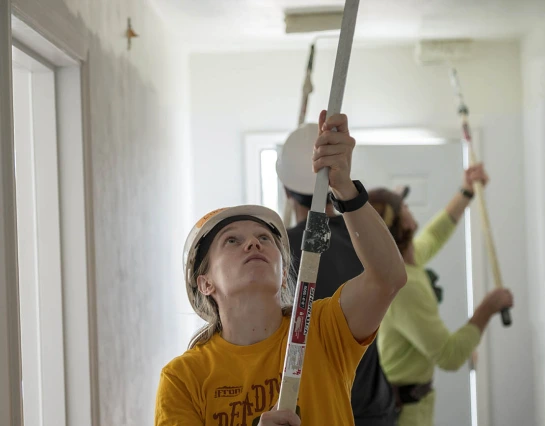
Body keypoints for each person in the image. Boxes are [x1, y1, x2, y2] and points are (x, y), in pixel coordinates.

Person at [154, 110, 407, 426]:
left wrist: (344, 187)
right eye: (232, 241)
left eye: (263, 238)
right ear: (205, 283)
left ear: (284, 269)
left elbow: (388, 279)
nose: (253, 244)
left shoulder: (324, 332)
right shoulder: (183, 378)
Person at [369, 165, 514, 426]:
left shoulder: (404, 264)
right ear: (402, 223)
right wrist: (487, 308)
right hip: (405, 414)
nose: (409, 209)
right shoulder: (404, 286)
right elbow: (450, 356)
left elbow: (433, 236)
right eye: (404, 207)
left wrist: (466, 193)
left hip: (413, 403)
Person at [275, 122, 398, 426]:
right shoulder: (366, 242)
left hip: (311, 410)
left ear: (287, 189)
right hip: (370, 408)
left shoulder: (275, 251)